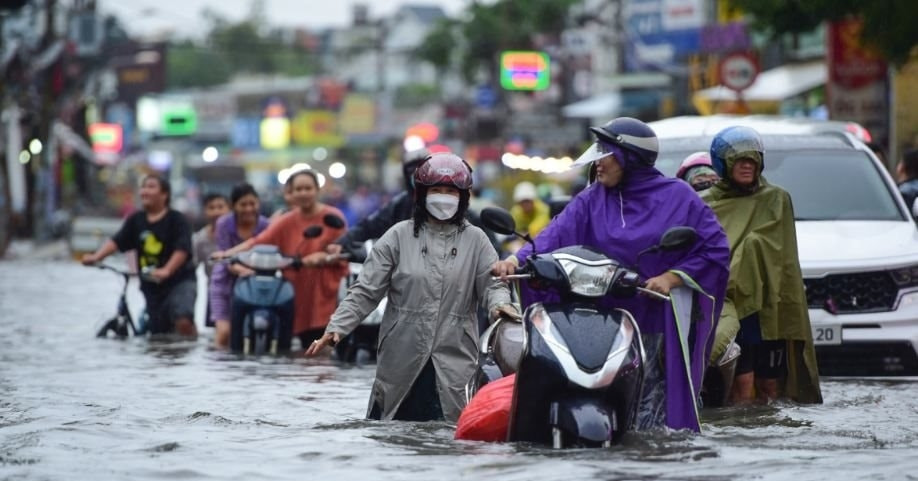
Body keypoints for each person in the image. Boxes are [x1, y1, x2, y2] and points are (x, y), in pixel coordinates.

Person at [491, 117, 730, 432]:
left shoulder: (679, 197)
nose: (598, 163)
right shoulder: (592, 199)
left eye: (606, 154)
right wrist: (514, 260)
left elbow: (715, 249)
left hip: (655, 321)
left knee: (652, 418)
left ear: (630, 158)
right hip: (601, 319)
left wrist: (671, 278)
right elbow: (554, 235)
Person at [307, 153, 518, 423]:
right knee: (392, 430)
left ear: (463, 197)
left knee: (449, 431)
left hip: (454, 355)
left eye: (451, 191)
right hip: (401, 351)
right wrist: (337, 328)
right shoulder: (397, 236)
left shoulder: (477, 240)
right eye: (436, 190)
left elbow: (492, 284)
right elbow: (366, 291)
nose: (443, 197)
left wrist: (501, 306)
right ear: (421, 194)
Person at [701, 126, 822, 405]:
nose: (747, 166)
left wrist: (753, 250)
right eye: (739, 160)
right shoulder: (704, 204)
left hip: (769, 306)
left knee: (771, 386)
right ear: (723, 163)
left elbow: (782, 254)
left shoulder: (777, 199)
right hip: (732, 305)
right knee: (741, 385)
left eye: (752, 160)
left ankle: (768, 430)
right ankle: (742, 431)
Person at [214, 170, 348, 348]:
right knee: (302, 346)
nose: (303, 193)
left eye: (308, 188)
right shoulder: (286, 220)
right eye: (298, 189)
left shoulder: (333, 217)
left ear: (317, 189)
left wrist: (323, 257)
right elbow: (259, 240)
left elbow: (344, 250)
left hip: (325, 294)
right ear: (291, 192)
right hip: (298, 293)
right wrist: (228, 253)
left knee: (324, 345)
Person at [81, 175, 198, 337]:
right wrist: (97, 257)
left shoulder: (177, 220)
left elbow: (182, 249)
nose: (145, 191)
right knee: (158, 332)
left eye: (151, 187)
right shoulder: (136, 220)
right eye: (143, 187)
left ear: (164, 194)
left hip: (179, 282)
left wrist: (167, 270)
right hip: (151, 284)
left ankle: (190, 346)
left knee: (183, 319)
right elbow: (117, 241)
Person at [326, 148, 500, 256]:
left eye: (447, 192)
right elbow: (367, 227)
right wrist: (340, 244)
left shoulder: (461, 215)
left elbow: (490, 251)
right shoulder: (398, 212)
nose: (441, 199)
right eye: (412, 170)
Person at [208, 183, 270, 348]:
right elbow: (224, 256)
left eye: (252, 204)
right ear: (234, 206)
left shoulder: (265, 225)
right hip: (224, 282)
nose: (248, 209)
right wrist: (242, 270)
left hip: (256, 283)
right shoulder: (224, 224)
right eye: (243, 204)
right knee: (224, 333)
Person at [193, 193, 230, 328]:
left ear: (229, 209)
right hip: (215, 291)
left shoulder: (237, 232)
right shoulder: (199, 239)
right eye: (211, 208)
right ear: (205, 211)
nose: (216, 212)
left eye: (220, 207)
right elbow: (192, 266)